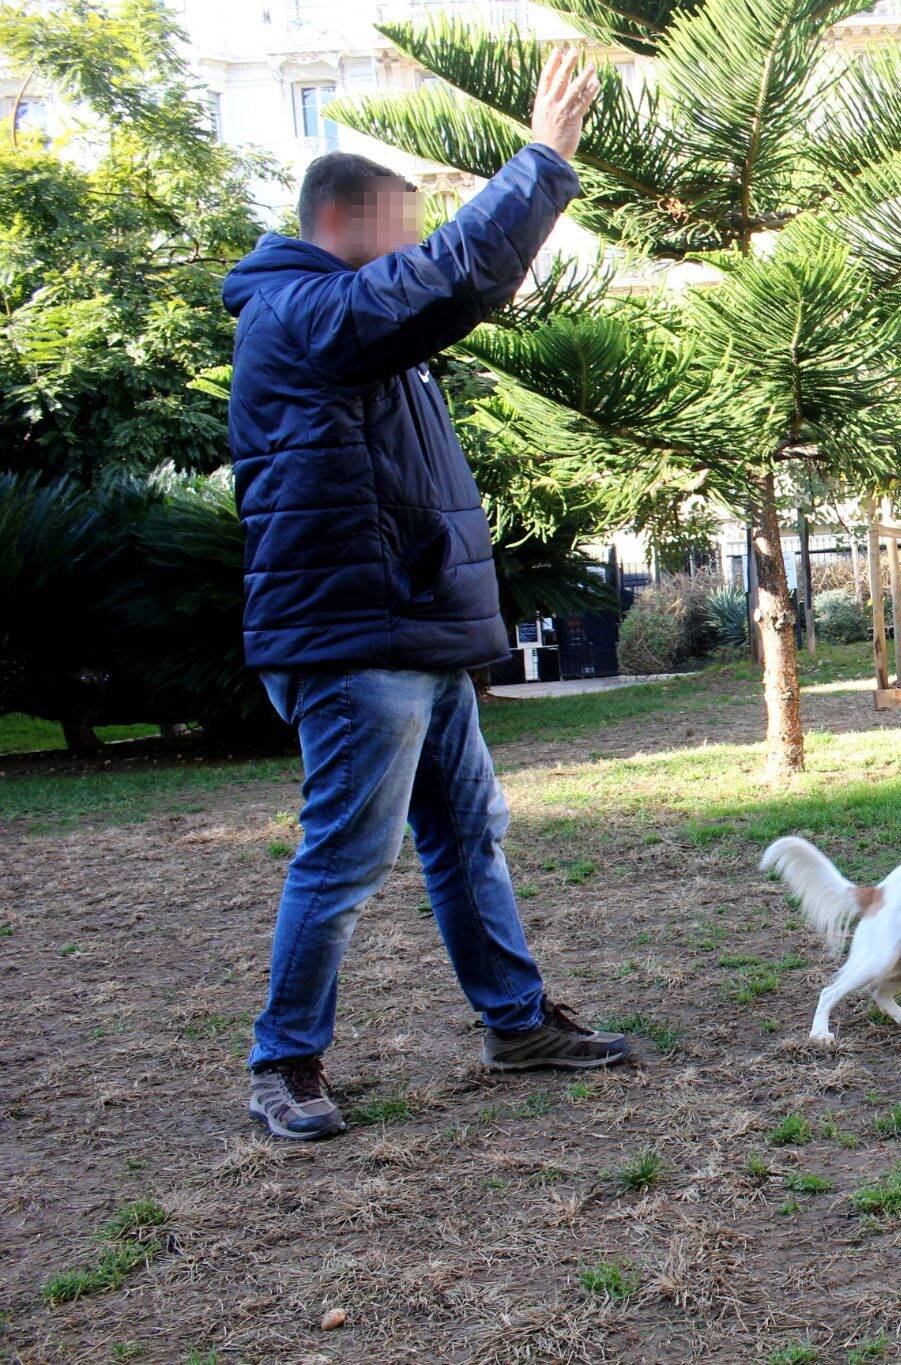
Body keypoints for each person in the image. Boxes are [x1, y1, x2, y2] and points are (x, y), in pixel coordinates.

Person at [222, 50, 628, 1141]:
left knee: (467, 836)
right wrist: (541, 161)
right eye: (402, 228)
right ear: (345, 222)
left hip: (410, 634)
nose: (416, 247)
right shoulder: (303, 314)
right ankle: (283, 1064)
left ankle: (517, 1025)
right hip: (356, 643)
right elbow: (451, 274)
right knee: (346, 856)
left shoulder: (348, 324)